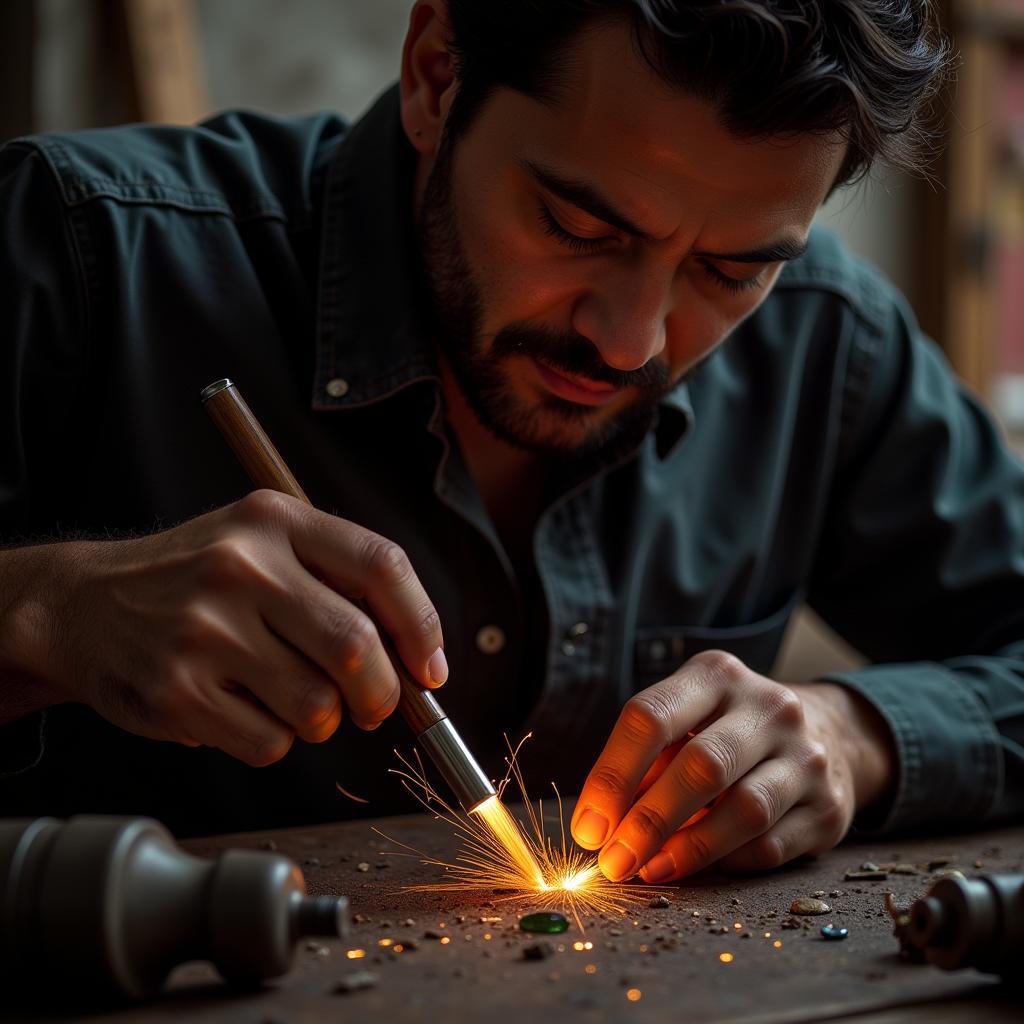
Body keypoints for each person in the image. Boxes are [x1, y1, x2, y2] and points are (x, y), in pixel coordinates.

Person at [0, 0, 1020, 884]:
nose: (630, 339)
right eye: (580, 226)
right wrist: (46, 614)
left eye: (730, 271)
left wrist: (860, 736)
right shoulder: (81, 253)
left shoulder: (825, 343)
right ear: (436, 75)